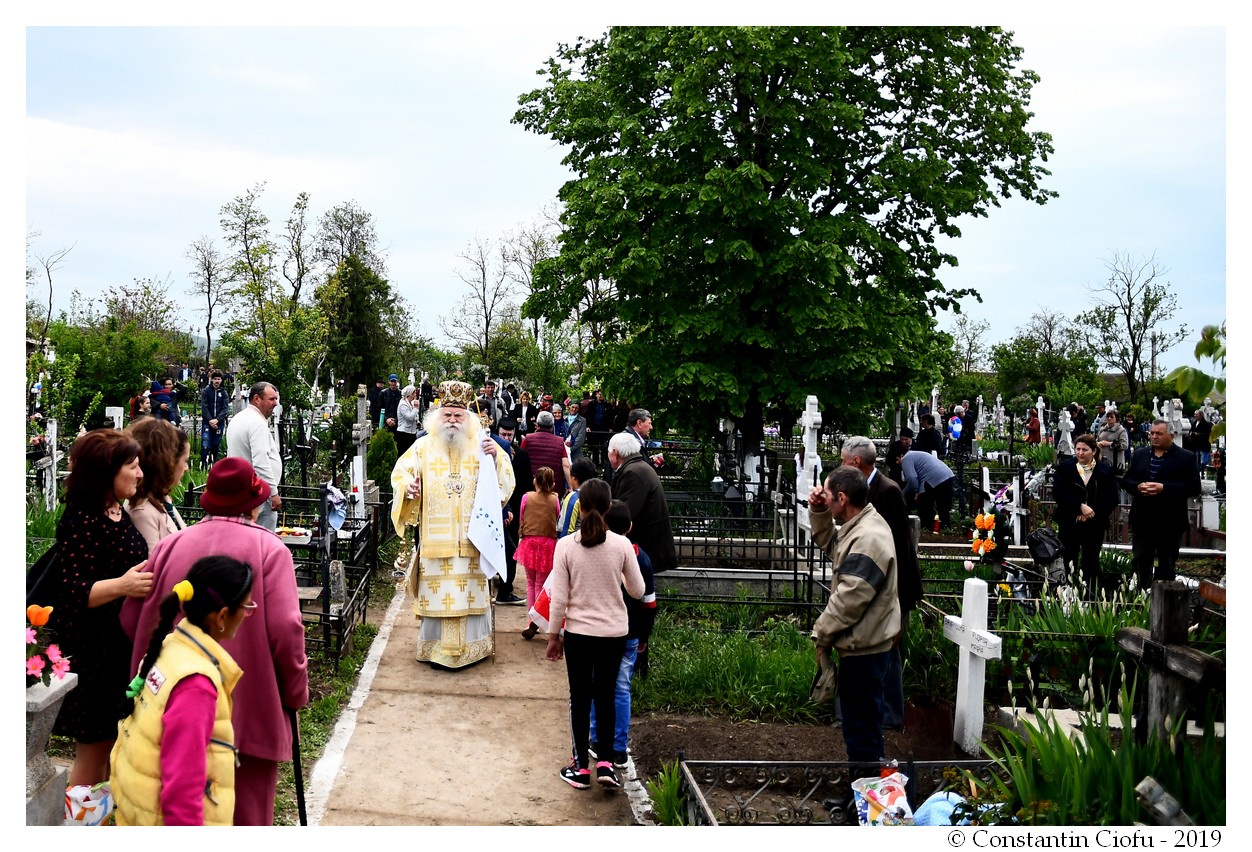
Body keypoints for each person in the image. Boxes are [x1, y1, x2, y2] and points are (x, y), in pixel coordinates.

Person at [123, 456, 309, 825]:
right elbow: (287, 630)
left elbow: (131, 619)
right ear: (254, 505)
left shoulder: (170, 546)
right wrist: (294, 694)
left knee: (172, 806)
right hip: (249, 714)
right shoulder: (270, 550)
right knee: (246, 817)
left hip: (172, 705)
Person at [110, 556, 253, 826]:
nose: (248, 615)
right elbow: (182, 794)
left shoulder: (170, 647)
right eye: (247, 607)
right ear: (222, 616)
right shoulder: (196, 685)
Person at [45, 429, 152, 788]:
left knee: (108, 750)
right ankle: (78, 815)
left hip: (118, 649)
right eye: (132, 466)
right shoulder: (82, 519)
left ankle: (96, 814)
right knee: (93, 754)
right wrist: (123, 585)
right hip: (93, 654)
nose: (139, 474)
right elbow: (71, 591)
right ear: (106, 471)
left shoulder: (116, 510)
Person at [391, 381, 515, 668]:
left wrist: (496, 458)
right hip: (436, 542)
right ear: (438, 416)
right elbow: (400, 473)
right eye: (447, 414)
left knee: (469, 596)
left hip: (472, 539)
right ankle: (435, 650)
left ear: (468, 418)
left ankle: (474, 649)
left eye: (458, 415)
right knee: (439, 598)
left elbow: (505, 482)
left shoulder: (483, 446)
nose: (452, 420)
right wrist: (408, 487)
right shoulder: (422, 447)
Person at [545, 479, 645, 790]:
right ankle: (605, 763)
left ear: (581, 506)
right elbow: (638, 590)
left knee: (580, 697)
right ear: (608, 507)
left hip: (579, 634)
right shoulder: (621, 545)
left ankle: (580, 767)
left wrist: (553, 635)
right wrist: (616, 580)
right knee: (606, 694)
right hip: (614, 634)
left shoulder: (566, 546)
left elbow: (559, 598)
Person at [807, 466, 900, 765]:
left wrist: (821, 633)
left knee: (862, 731)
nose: (823, 496)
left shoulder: (868, 537)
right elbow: (834, 547)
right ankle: (862, 785)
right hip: (862, 645)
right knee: (861, 727)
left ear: (843, 498)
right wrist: (820, 511)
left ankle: (865, 790)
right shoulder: (860, 526)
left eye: (827, 494)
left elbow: (850, 598)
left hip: (865, 651)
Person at [840, 436, 923, 729]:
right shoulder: (858, 490)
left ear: (856, 462)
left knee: (888, 648)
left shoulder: (887, 491)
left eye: (843, 461)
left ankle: (889, 715)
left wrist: (895, 593)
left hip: (890, 584)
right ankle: (851, 711)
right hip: (866, 581)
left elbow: (897, 546)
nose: (841, 466)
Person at [588, 499, 658, 767]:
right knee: (621, 688)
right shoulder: (641, 557)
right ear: (629, 526)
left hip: (600, 630)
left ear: (604, 525)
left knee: (597, 685)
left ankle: (596, 740)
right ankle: (618, 748)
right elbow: (648, 601)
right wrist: (644, 634)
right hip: (629, 633)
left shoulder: (596, 551)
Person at [1121, 419, 1201, 591]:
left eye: (1159, 433)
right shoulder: (1141, 454)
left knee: (1166, 566)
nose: (1154, 436)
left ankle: (1164, 602)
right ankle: (1140, 599)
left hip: (1170, 521)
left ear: (1171, 436)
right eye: (1152, 433)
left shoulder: (1186, 457)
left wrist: (1164, 488)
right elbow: (1127, 480)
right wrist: (1138, 487)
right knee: (1140, 563)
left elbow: (1194, 488)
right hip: (1142, 519)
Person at [1052, 434, 1119, 596]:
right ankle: (1067, 595)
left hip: (1094, 524)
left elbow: (1111, 499)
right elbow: (1059, 493)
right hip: (1070, 521)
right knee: (1068, 560)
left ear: (1094, 451)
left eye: (1085, 450)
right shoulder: (1066, 468)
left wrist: (1091, 512)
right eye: (1078, 449)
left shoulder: (1104, 471)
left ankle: (1090, 596)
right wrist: (1079, 506)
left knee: (1091, 562)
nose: (1080, 453)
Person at [607, 432, 678, 573]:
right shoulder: (637, 467)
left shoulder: (632, 473)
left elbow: (623, 514)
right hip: (649, 549)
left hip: (647, 551)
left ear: (615, 452)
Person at [124, 417, 190, 552]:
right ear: (168, 462)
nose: (186, 468)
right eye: (185, 461)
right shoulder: (142, 513)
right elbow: (154, 561)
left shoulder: (161, 499)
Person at [226, 381, 283, 531]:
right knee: (263, 539)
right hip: (258, 492)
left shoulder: (239, 418)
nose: (275, 403)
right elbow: (260, 462)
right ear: (257, 399)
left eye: (276, 399)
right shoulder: (257, 423)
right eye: (271, 399)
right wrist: (273, 493)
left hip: (241, 489)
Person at [519, 466, 561, 640]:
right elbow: (557, 517)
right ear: (552, 483)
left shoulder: (526, 497)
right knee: (540, 584)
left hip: (529, 542)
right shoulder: (554, 500)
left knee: (530, 583)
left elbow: (522, 518)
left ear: (535, 480)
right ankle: (536, 619)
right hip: (548, 544)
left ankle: (531, 620)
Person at [900, 447, 955, 530]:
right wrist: (901, 494)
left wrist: (916, 491)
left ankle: (925, 527)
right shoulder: (915, 455)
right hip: (947, 475)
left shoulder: (906, 458)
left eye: (897, 460)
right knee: (943, 507)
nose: (898, 463)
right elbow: (910, 483)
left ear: (901, 456)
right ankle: (946, 527)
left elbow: (911, 478)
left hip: (931, 478)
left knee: (924, 504)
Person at [522, 409, 572, 498]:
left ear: (537, 425)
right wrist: (570, 487)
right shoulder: (560, 442)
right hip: (554, 488)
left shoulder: (528, 439)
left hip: (531, 487)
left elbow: (519, 460)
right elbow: (566, 465)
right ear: (552, 426)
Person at [559, 457, 598, 539]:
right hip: (596, 539)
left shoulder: (573, 497)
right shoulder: (598, 495)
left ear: (574, 477)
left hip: (576, 540)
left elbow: (567, 527)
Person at [199, 369, 231, 468]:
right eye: (215, 379)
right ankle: (203, 465)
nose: (217, 381)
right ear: (212, 379)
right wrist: (210, 420)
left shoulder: (224, 392)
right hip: (207, 422)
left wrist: (217, 420)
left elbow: (225, 408)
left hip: (219, 423)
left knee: (216, 444)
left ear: (221, 380)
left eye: (219, 379)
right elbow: (204, 406)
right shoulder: (206, 391)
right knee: (206, 444)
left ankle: (214, 465)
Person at [1096, 410, 1129, 474]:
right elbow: (1097, 440)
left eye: (1111, 417)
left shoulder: (1121, 430)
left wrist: (1109, 444)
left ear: (1117, 419)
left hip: (1115, 463)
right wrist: (1098, 443)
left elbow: (1124, 446)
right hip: (1102, 461)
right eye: (1108, 417)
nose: (1109, 418)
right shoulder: (1102, 429)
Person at [396, 383, 421, 455]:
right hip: (404, 432)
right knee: (403, 453)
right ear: (409, 394)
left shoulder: (410, 403)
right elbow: (409, 417)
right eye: (414, 393)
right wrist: (416, 408)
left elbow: (415, 416)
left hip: (411, 432)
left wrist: (417, 421)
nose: (415, 395)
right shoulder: (403, 404)